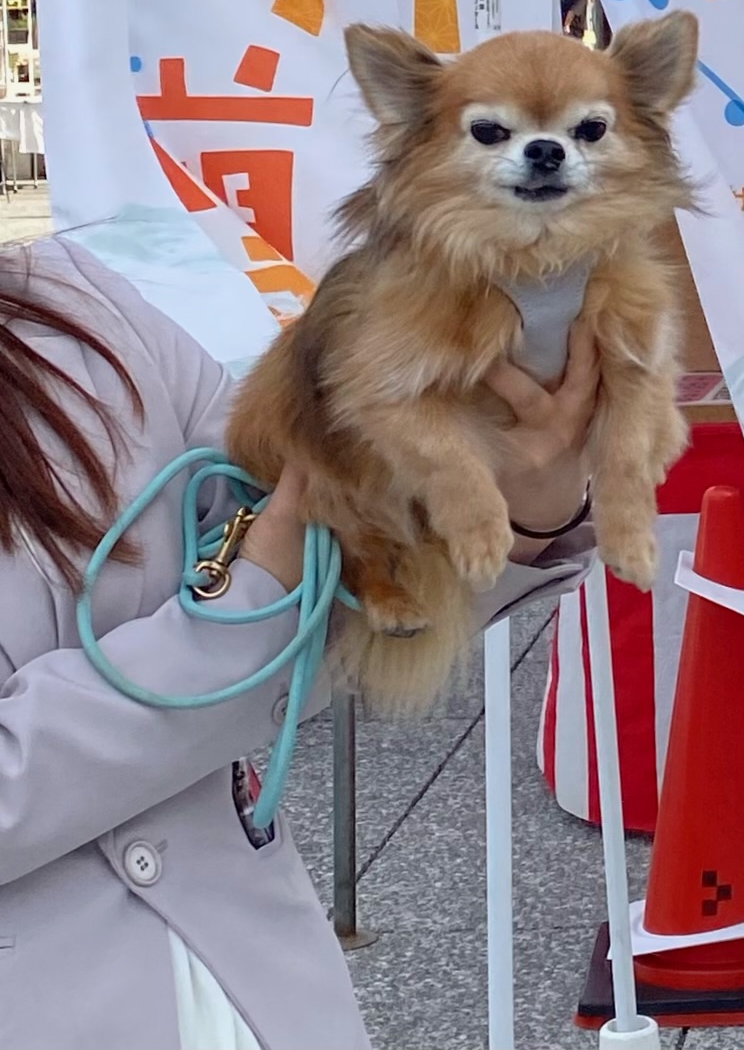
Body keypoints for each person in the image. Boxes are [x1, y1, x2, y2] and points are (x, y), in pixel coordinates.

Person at [0, 235, 601, 1049]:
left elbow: (323, 579)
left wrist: (514, 512)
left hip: (264, 988)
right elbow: (275, 590)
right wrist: (247, 606)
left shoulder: (70, 304)